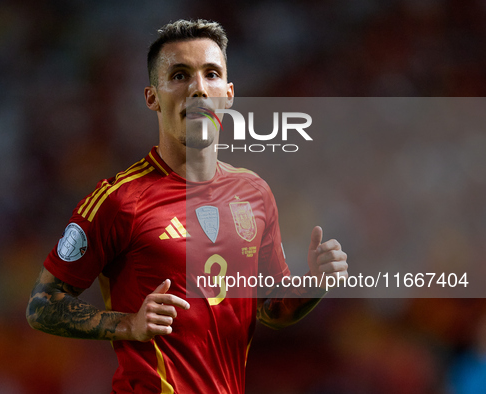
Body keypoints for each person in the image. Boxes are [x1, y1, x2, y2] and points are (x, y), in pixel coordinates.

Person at [26, 19, 348, 393]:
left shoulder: (254, 193)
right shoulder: (119, 200)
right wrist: (129, 324)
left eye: (211, 74)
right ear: (152, 97)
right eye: (180, 75)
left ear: (228, 94)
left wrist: (316, 284)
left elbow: (268, 309)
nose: (198, 89)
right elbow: (42, 305)